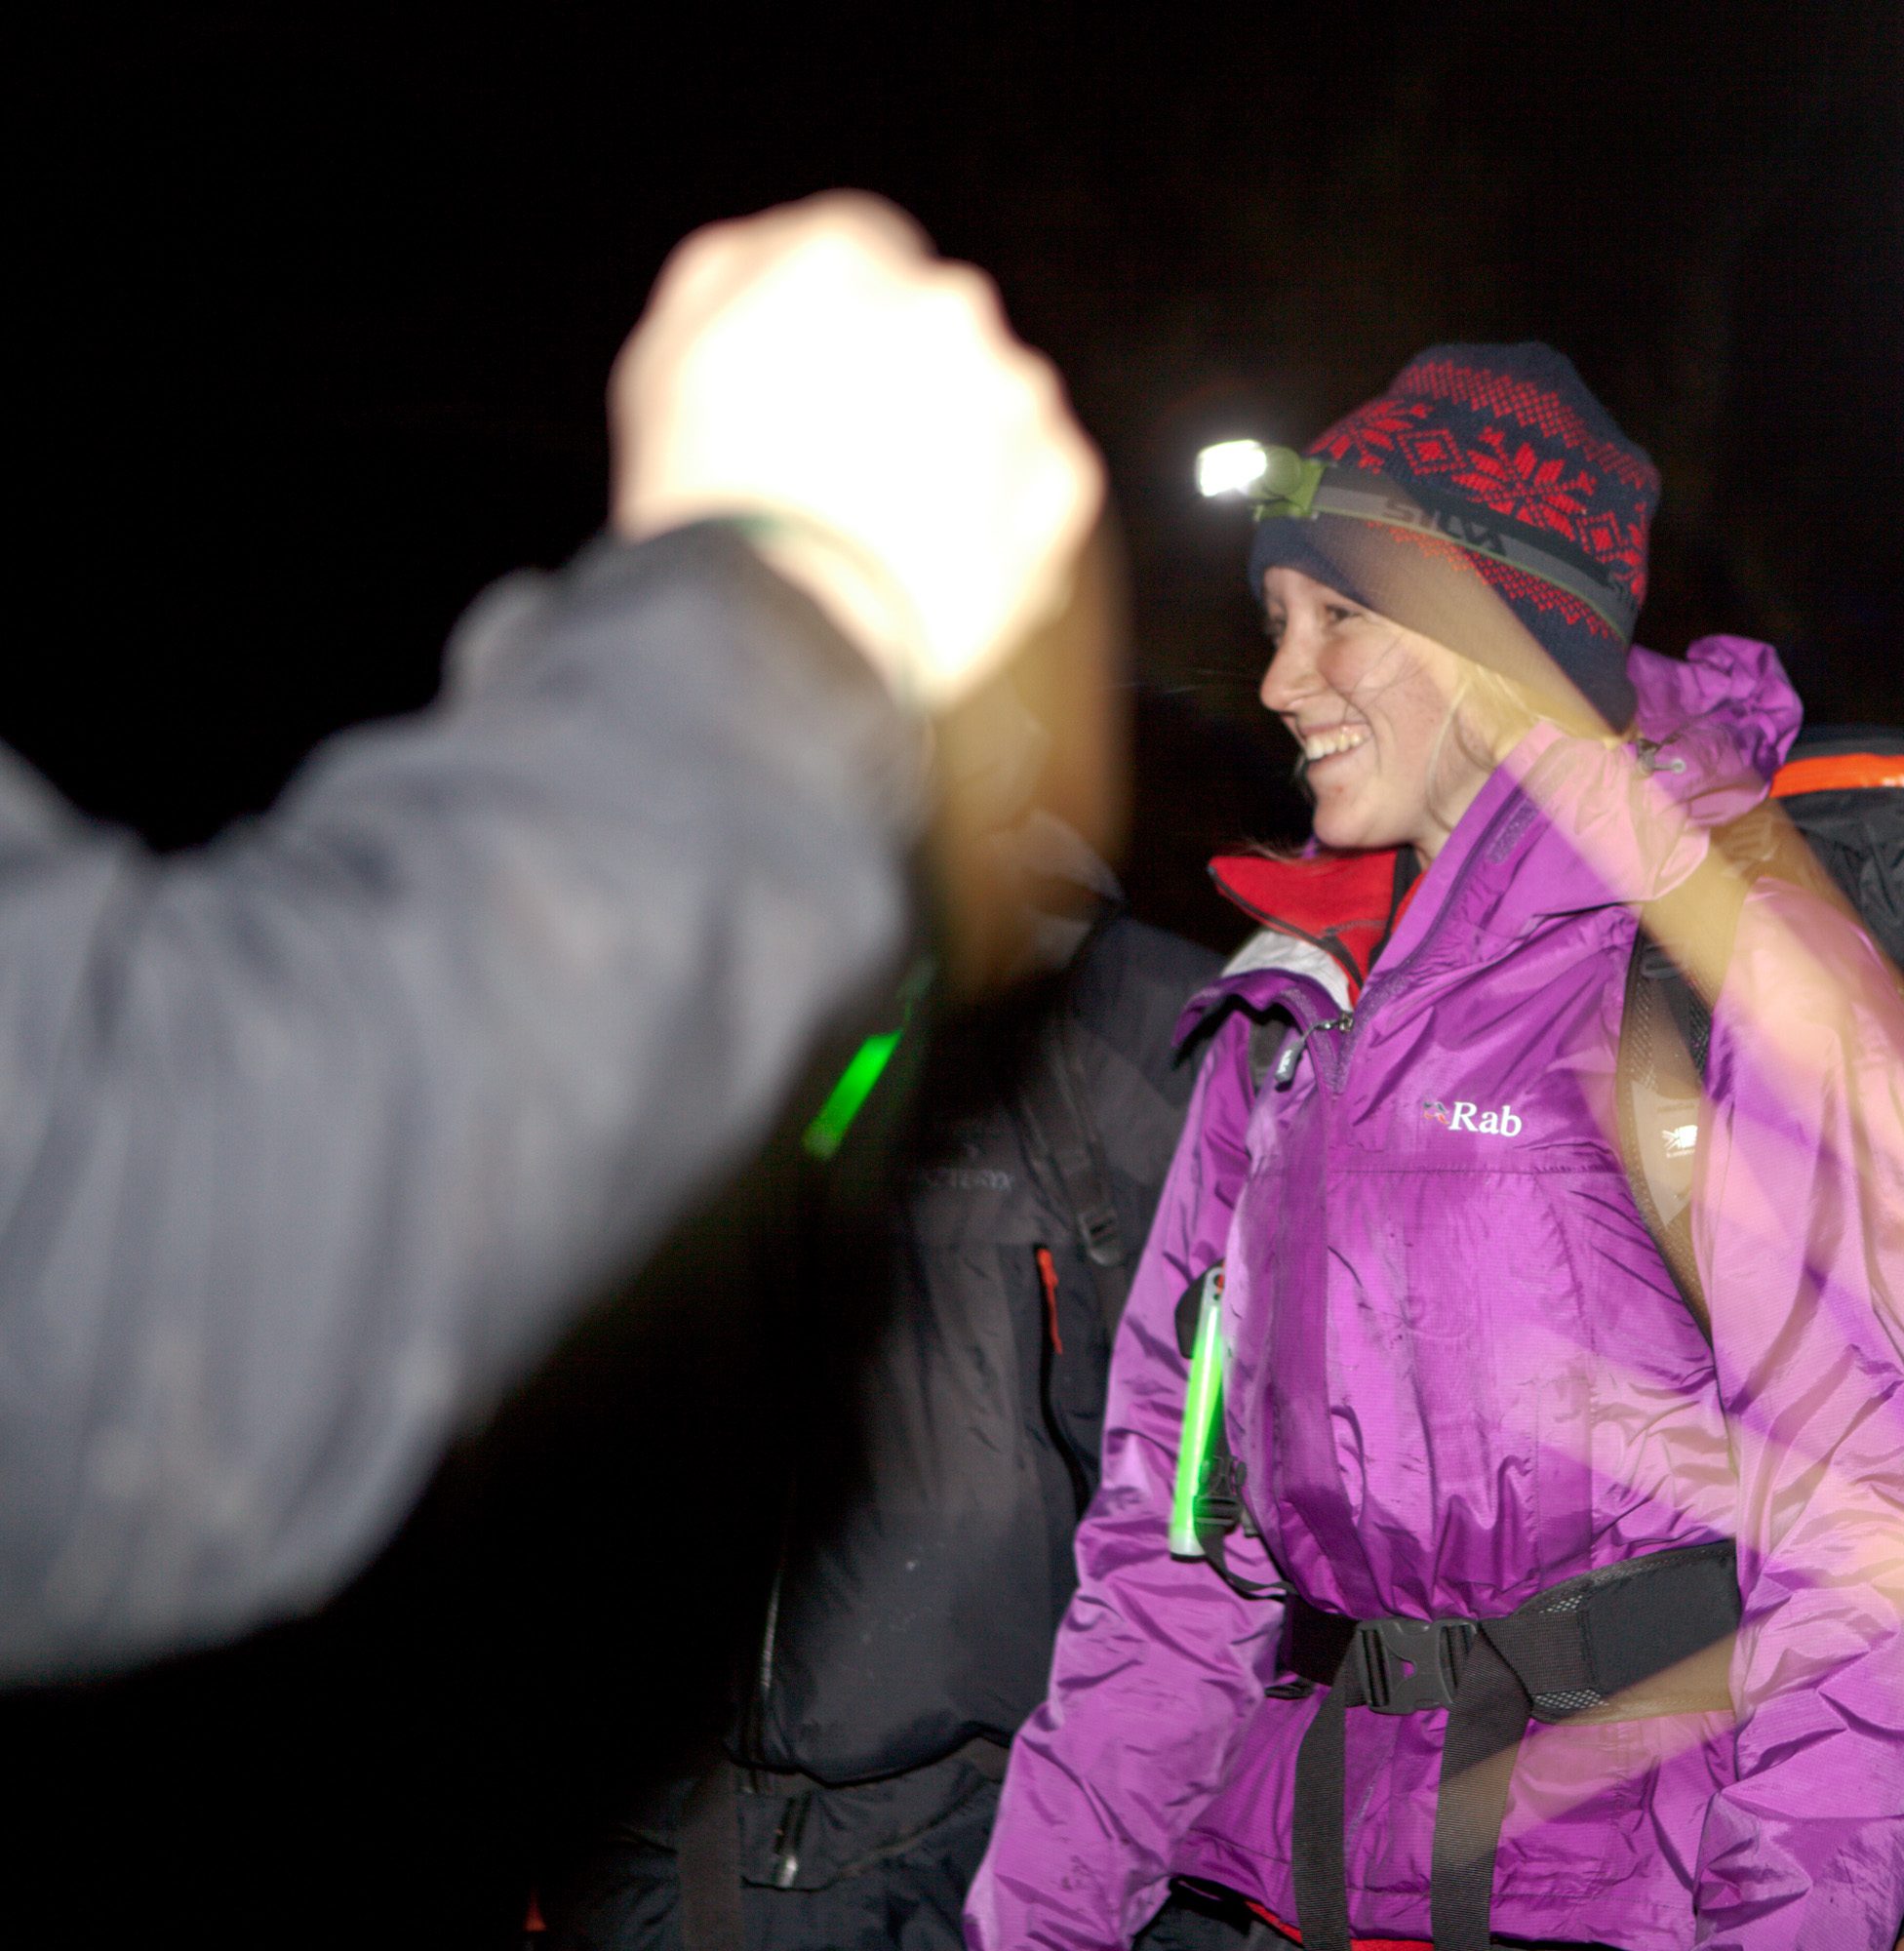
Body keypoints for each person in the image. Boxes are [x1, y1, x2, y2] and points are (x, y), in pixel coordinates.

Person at [0, 193, 1104, 1685]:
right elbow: (126, 1256)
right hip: (681, 1732)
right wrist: (793, 603)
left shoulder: (1113, 1015)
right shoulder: (793, 938)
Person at [965, 344, 1904, 1951]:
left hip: (1626, 1898)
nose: (1281, 681)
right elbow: (1170, 1553)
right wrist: (1037, 1924)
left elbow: (1863, 1561)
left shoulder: (1723, 963)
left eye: (1339, 616)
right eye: (1276, 622)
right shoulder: (1287, 1019)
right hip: (1296, 1885)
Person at [546, 814, 1230, 1951]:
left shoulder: (1148, 1020)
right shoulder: (609, 972)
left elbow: (1224, 1517)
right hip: (654, 1855)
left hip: (979, 1853)